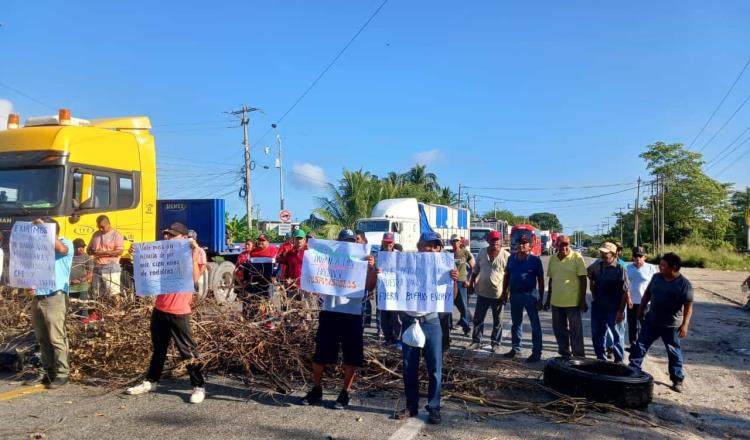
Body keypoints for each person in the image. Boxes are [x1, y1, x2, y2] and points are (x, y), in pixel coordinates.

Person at [126, 222, 207, 403]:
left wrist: (193, 254)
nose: (167, 237)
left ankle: (198, 386)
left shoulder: (197, 251)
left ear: (184, 237)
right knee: (159, 349)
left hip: (180, 311)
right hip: (160, 307)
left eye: (172, 235)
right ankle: (151, 381)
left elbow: (195, 278)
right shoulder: (162, 252)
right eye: (167, 234)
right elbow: (148, 271)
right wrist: (137, 256)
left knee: (188, 351)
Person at [301, 229, 376, 410]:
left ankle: (345, 393)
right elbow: (314, 273)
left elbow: (370, 286)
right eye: (345, 240)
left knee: (352, 358)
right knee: (320, 356)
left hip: (352, 315)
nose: (348, 243)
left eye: (352, 240)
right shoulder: (329, 257)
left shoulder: (363, 260)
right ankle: (317, 389)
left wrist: (372, 268)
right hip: (329, 312)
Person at [395, 232, 458, 425]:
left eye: (434, 246)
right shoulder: (406, 264)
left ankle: (434, 407)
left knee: (435, 368)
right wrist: (382, 274)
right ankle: (411, 406)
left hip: (431, 322)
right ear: (418, 246)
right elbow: (392, 284)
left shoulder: (446, 267)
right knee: (409, 367)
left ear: (439, 249)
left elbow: (451, 297)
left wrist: (454, 280)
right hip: (409, 321)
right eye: (426, 245)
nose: (430, 249)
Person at [629, 253, 694, 393]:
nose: (660, 267)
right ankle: (632, 370)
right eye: (661, 264)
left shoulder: (684, 284)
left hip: (671, 325)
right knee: (640, 346)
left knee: (673, 352)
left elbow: (688, 306)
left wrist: (685, 324)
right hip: (651, 321)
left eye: (663, 265)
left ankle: (677, 379)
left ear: (674, 267)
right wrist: (640, 310)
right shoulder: (657, 277)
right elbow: (647, 294)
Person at [25, 218, 74, 388]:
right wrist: (30, 287)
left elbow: (60, 248)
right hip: (38, 297)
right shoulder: (38, 248)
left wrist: (44, 229)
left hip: (55, 297)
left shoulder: (65, 242)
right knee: (42, 338)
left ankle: (63, 373)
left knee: (56, 337)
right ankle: (49, 372)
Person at [502, 235, 545, 362]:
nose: (521, 245)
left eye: (525, 243)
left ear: (530, 246)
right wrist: (505, 292)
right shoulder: (511, 259)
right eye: (520, 243)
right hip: (515, 295)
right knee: (516, 323)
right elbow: (507, 276)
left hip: (530, 295)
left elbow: (541, 280)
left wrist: (541, 299)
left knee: (535, 324)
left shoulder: (535, 260)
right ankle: (516, 348)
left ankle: (536, 352)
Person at [544, 235, 588, 358]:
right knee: (559, 330)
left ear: (569, 245)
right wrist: (548, 300)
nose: (563, 247)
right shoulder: (553, 259)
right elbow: (552, 280)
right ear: (556, 245)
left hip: (573, 302)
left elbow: (583, 280)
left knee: (575, 331)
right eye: (561, 244)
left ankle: (579, 357)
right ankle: (565, 354)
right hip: (556, 301)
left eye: (566, 244)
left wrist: (582, 299)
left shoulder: (577, 257)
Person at [587, 242, 629, 362]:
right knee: (597, 334)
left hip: (614, 308)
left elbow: (625, 292)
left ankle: (619, 361)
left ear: (614, 254)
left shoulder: (620, 269)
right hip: (599, 306)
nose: (603, 255)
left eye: (606, 253)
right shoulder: (597, 265)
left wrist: (620, 311)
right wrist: (594, 293)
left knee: (617, 335)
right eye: (602, 252)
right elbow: (589, 275)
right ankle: (601, 359)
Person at [467, 230, 508, 352]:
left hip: (498, 294)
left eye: (496, 240)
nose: (494, 242)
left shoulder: (506, 255)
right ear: (488, 241)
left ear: (500, 241)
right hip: (482, 292)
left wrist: (506, 292)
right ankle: (476, 341)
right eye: (492, 240)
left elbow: (508, 276)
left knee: (498, 320)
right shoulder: (482, 252)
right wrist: (471, 283)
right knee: (478, 318)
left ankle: (495, 342)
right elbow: (476, 270)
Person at [625, 246, 658, 350]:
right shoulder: (627, 268)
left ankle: (643, 345)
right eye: (635, 256)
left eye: (640, 256)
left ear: (645, 257)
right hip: (631, 302)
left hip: (645, 303)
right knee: (632, 325)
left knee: (644, 325)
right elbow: (625, 285)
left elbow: (656, 285)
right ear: (632, 257)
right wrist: (628, 298)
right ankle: (633, 345)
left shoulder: (651, 268)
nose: (638, 258)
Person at [87, 215, 124, 298]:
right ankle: (100, 310)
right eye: (98, 227)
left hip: (111, 268)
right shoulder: (96, 234)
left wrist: (102, 253)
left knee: (114, 293)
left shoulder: (116, 235)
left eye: (102, 227)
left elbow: (119, 251)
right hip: (97, 267)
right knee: (96, 293)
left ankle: (117, 310)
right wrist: (90, 251)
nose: (100, 229)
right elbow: (88, 249)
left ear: (109, 224)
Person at [378, 232, 402, 348]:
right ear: (382, 242)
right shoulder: (378, 255)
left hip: (395, 290)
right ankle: (388, 338)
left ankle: (397, 338)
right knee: (384, 316)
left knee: (395, 316)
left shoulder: (399, 255)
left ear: (394, 243)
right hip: (382, 290)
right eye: (386, 242)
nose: (388, 244)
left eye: (390, 242)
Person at [449, 233, 474, 336]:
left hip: (462, 283)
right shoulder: (448, 254)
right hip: (450, 283)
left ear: (460, 242)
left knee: (463, 306)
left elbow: (473, 267)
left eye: (457, 241)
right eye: (453, 241)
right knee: (448, 306)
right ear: (451, 243)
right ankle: (448, 327)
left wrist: (469, 280)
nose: (455, 243)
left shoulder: (465, 253)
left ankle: (466, 328)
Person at [69, 238, 94, 319]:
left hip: (82, 285)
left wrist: (80, 280)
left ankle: (83, 321)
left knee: (83, 305)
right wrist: (69, 281)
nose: (82, 249)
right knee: (69, 305)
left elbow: (90, 273)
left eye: (83, 247)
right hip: (69, 284)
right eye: (79, 247)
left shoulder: (86, 257)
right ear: (74, 247)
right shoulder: (68, 256)